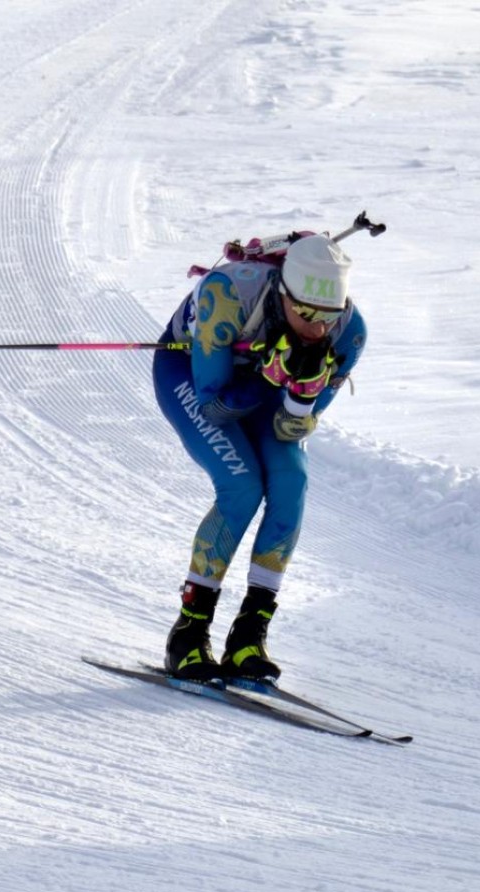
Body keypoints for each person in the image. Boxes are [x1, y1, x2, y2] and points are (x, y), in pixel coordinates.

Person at [152, 232, 367, 681]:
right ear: (283, 292)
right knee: (242, 485)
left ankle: (249, 635)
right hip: (193, 375)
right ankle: (188, 633)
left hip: (260, 386)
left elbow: (287, 431)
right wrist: (269, 379)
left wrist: (303, 399)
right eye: (306, 313)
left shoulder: (350, 332)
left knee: (290, 483)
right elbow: (213, 407)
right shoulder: (227, 294)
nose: (316, 329)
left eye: (328, 316)